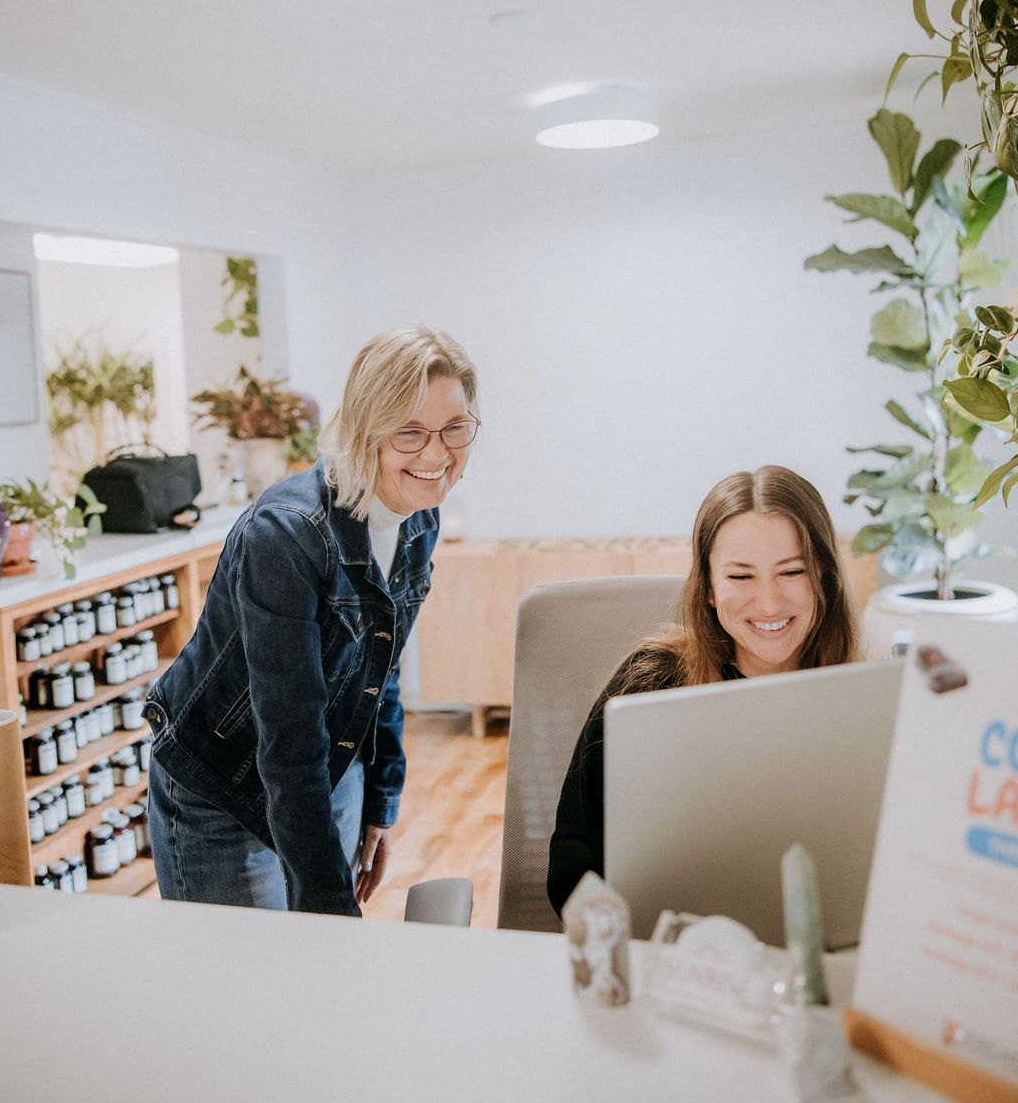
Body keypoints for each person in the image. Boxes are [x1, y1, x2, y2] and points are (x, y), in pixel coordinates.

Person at [145, 326, 479, 917]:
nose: (436, 454)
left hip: (329, 766)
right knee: (250, 985)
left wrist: (381, 799)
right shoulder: (286, 536)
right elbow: (289, 734)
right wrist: (327, 907)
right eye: (409, 431)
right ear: (363, 430)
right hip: (221, 784)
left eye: (454, 427)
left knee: (312, 976)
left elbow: (382, 669)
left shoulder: (418, 518)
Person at [546, 465, 860, 917]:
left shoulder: (858, 702)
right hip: (670, 956)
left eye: (792, 572)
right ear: (709, 588)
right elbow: (574, 864)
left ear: (825, 578)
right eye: (740, 577)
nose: (769, 603)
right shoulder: (650, 686)